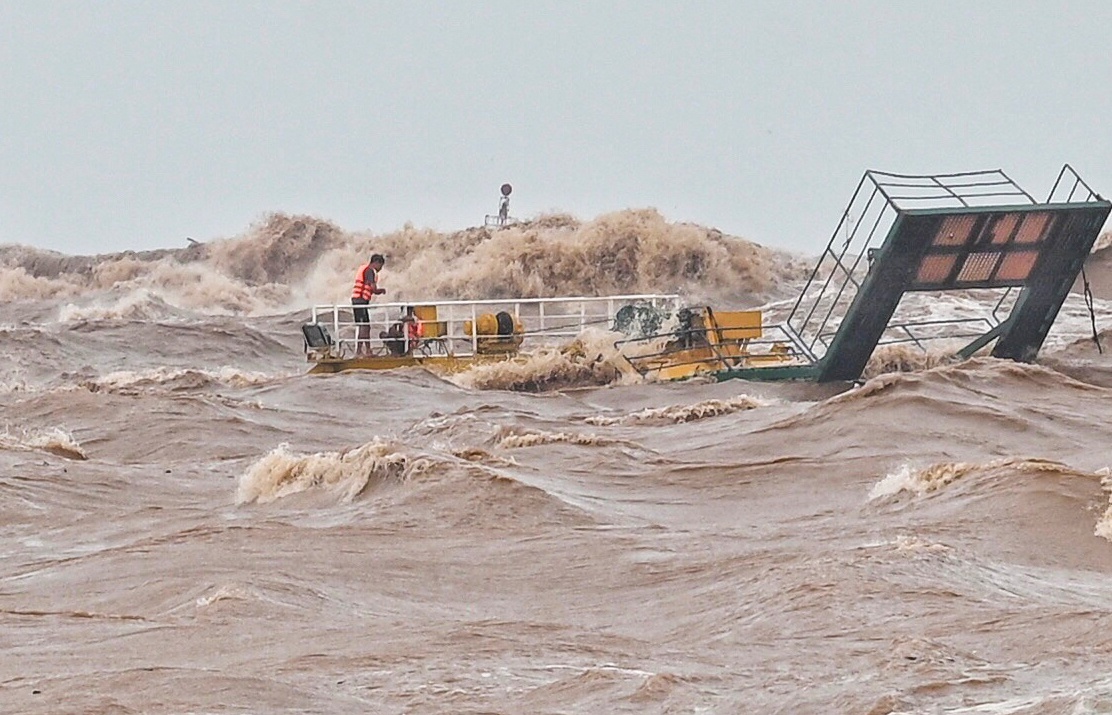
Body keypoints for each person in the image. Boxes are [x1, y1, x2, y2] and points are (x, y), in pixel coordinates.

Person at [351, 254, 386, 355]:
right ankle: (362, 351)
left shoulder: (364, 269)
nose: (380, 269)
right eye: (381, 266)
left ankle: (366, 350)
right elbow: (373, 288)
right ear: (376, 263)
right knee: (364, 326)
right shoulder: (370, 271)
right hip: (360, 301)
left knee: (365, 326)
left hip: (357, 300)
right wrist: (381, 291)